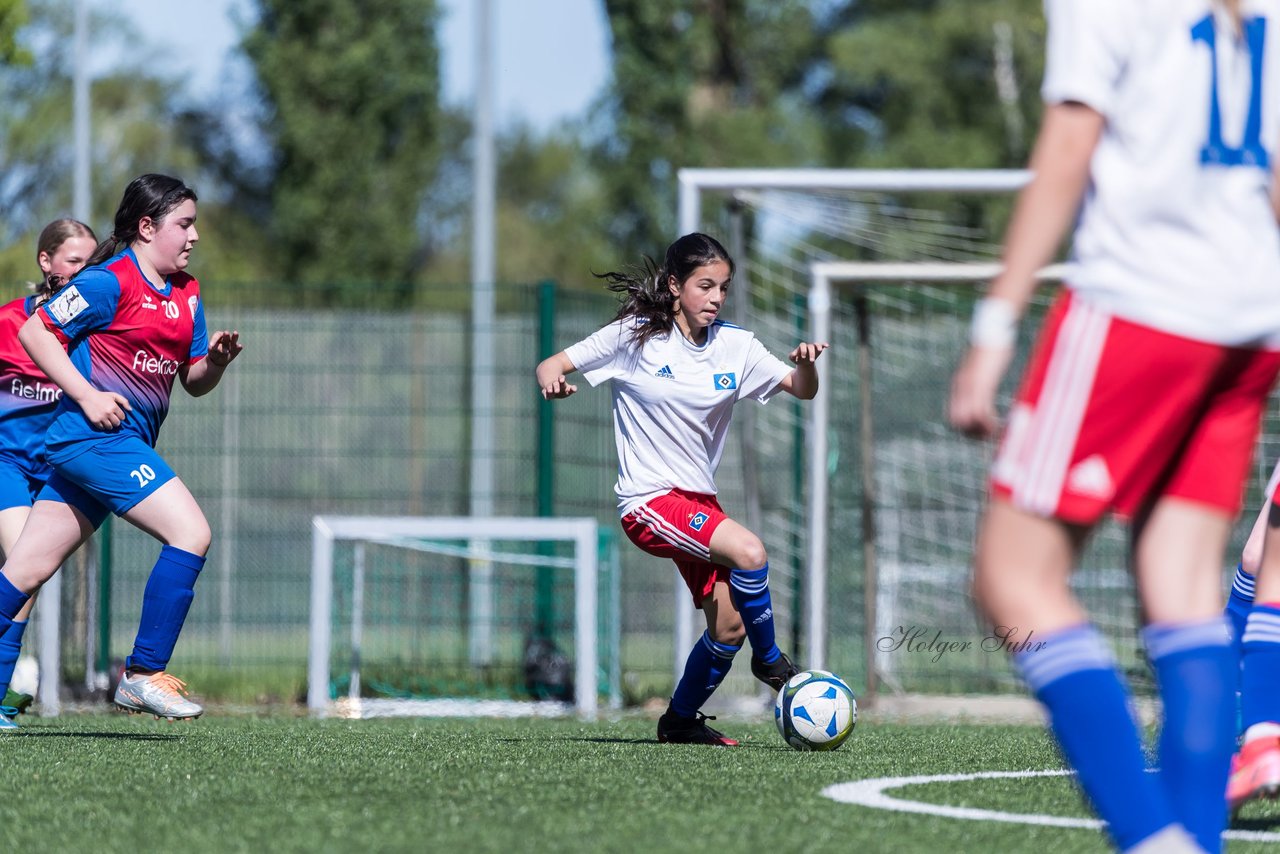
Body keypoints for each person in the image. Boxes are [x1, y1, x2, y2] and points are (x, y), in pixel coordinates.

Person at [948, 1, 1280, 850]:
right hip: (1250, 317)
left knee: (1010, 578)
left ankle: (1153, 838)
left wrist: (994, 328)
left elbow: (1069, 143)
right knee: (1186, 591)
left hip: (1141, 305)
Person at [536, 232, 828, 746]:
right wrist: (552, 380)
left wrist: (805, 363)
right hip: (648, 501)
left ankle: (678, 721)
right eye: (705, 286)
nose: (716, 298)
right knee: (750, 551)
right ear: (675, 285)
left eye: (723, 287)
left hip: (699, 502)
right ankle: (774, 664)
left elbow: (802, 389)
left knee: (730, 627)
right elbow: (553, 362)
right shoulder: (634, 338)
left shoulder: (737, 346)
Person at [0, 174, 243, 722]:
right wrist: (86, 395)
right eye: (184, 224)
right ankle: (141, 674)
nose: (194, 235)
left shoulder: (187, 293)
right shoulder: (109, 282)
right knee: (192, 532)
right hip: (95, 440)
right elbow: (35, 333)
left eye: (194, 223)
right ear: (147, 226)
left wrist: (218, 363)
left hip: (111, 445)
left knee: (25, 571)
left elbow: (193, 379)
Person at [0, 218, 97, 730]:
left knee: (24, 576)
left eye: (91, 261)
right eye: (74, 261)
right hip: (7, 466)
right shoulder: (9, 322)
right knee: (24, 569)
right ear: (47, 263)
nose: (84, 271)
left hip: (57, 473)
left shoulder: (92, 328)